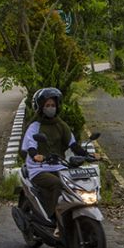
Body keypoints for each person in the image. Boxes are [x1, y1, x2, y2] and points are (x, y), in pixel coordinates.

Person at [21, 87, 90, 237]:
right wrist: (36, 156)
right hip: (38, 168)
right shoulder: (35, 126)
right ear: (40, 107)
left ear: (58, 106)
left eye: (53, 105)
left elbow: (73, 145)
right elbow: (31, 146)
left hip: (59, 165)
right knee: (57, 184)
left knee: (75, 184)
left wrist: (89, 155)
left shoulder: (61, 125)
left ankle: (71, 215)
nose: (51, 108)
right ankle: (54, 219)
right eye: (47, 105)